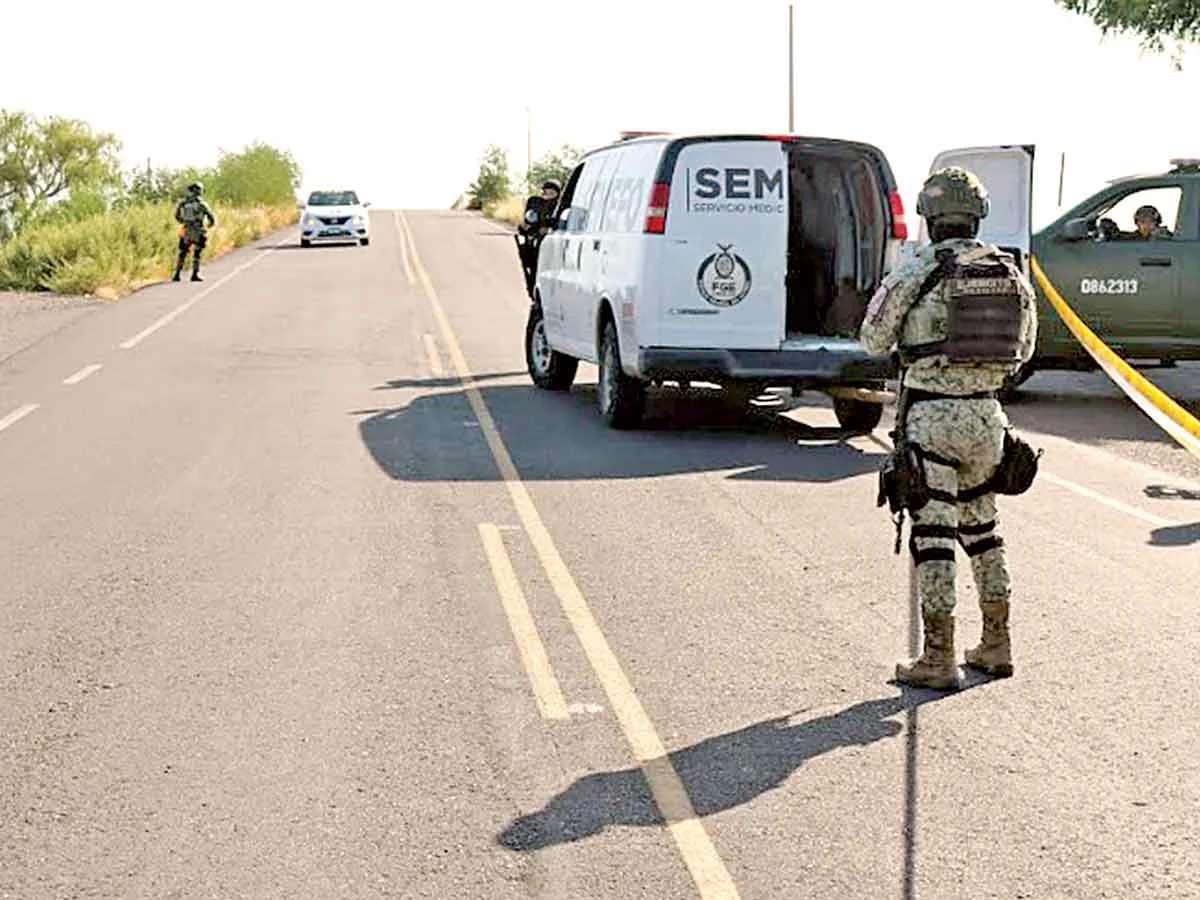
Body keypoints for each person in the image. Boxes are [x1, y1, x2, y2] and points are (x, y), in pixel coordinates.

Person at [860, 166, 1038, 691]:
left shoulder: (917, 269)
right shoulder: (1008, 272)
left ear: (930, 217)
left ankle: (937, 658)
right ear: (977, 215)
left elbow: (873, 337)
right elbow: (1024, 351)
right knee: (984, 531)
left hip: (932, 421)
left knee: (934, 538)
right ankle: (996, 644)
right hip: (988, 421)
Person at [516, 179, 561, 295]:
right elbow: (529, 222)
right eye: (546, 192)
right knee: (531, 266)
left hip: (553, 246)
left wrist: (549, 229)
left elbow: (561, 223)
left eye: (552, 192)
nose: (548, 195)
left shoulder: (560, 207)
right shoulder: (536, 204)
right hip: (536, 244)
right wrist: (525, 228)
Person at [173, 182, 216, 282]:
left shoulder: (183, 203)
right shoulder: (202, 204)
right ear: (198, 190)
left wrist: (183, 221)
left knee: (182, 252)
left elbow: (176, 215)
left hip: (186, 229)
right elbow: (211, 216)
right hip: (198, 230)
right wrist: (210, 225)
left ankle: (177, 274)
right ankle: (195, 274)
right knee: (197, 253)